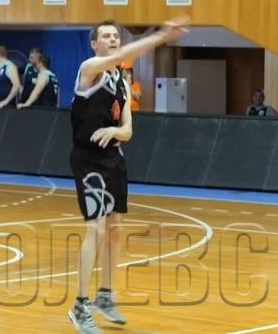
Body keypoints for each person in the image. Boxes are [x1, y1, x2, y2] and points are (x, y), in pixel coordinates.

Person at [66, 18, 188, 334]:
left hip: (114, 159)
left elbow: (128, 130)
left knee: (115, 228)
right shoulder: (89, 68)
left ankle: (105, 295)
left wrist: (115, 131)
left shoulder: (121, 80)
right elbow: (120, 57)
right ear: (94, 43)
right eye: (106, 36)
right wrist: (161, 36)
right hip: (89, 160)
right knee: (95, 229)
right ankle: (80, 305)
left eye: (115, 36)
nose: (112, 40)